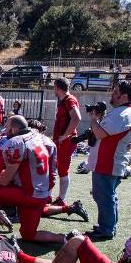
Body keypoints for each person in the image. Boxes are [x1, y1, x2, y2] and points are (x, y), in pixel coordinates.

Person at [0, 115, 88, 244]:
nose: (4, 131)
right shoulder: (44, 139)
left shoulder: (16, 142)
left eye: (6, 127)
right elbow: (52, 169)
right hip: (43, 193)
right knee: (28, 235)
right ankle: (66, 238)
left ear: (14, 128)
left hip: (27, 193)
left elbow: (5, 180)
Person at [86, 81, 131, 239]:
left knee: (104, 196)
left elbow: (100, 133)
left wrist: (93, 119)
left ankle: (107, 228)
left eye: (115, 92)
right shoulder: (127, 111)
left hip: (108, 162)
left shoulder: (123, 114)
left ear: (124, 96)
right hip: (112, 160)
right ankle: (108, 225)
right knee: (108, 195)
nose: (112, 94)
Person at [51, 78, 82, 206]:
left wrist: (65, 135)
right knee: (57, 168)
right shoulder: (64, 100)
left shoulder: (69, 100)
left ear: (57, 88)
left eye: (54, 87)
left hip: (66, 141)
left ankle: (62, 199)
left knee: (63, 170)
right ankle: (58, 197)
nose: (54, 90)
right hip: (61, 140)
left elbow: (77, 117)